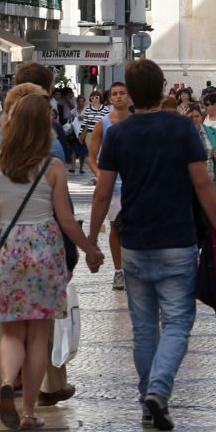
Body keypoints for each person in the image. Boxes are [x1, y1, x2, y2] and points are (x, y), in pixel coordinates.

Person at [88, 60, 216, 431]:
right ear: (163, 88)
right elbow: (202, 184)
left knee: (144, 328)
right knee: (178, 321)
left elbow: (102, 193)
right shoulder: (181, 128)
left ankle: (148, 399)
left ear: (130, 93)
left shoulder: (118, 134)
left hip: (134, 241)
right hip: (176, 239)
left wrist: (92, 240)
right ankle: (158, 391)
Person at [0, 94, 102, 430]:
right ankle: (28, 412)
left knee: (12, 334)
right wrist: (89, 248)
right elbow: (67, 220)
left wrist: (2, 212)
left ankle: (4, 382)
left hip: (9, 252)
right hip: (45, 253)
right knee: (38, 336)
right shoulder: (53, 167)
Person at [89, 82, 131, 290]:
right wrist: (101, 175)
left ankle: (133, 267)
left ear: (129, 96)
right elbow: (91, 156)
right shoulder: (103, 124)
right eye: (115, 94)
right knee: (116, 227)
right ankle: (119, 270)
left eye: (122, 93)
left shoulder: (136, 122)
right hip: (114, 187)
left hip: (134, 185)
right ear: (109, 99)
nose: (119, 97)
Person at [188, 103, 216, 189]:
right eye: (190, 117)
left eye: (197, 116)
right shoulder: (183, 134)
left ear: (201, 117)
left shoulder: (213, 132)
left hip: (210, 179)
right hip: (190, 181)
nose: (194, 119)